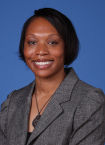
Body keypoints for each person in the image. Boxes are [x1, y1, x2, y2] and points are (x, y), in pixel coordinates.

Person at [0, 8, 105, 145]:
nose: (41, 51)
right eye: (32, 42)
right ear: (23, 47)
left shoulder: (89, 101)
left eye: (52, 42)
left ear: (67, 47)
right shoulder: (13, 102)